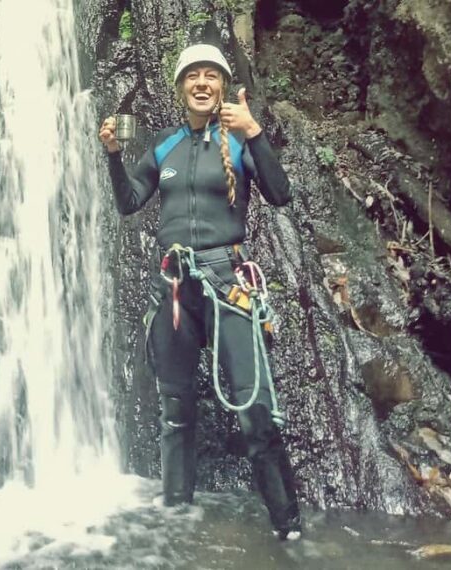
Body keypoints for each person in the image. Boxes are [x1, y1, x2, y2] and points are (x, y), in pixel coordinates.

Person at [99, 44, 301, 540]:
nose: (203, 83)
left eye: (212, 75)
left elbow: (280, 194)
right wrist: (113, 157)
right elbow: (128, 203)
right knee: (175, 411)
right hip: (173, 288)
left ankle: (289, 529)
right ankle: (176, 527)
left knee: (255, 413)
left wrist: (254, 132)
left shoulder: (237, 140)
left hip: (225, 282)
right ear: (180, 88)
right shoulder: (165, 146)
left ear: (224, 87)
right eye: (194, 76)